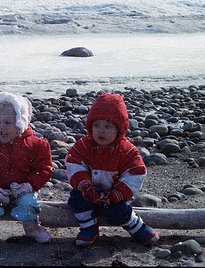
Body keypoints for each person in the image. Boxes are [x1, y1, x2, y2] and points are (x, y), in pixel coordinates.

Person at [65, 93, 159, 247]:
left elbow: (136, 173)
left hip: (115, 195)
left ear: (119, 129)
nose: (101, 131)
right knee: (76, 201)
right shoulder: (84, 145)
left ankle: (137, 226)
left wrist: (117, 193)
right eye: (97, 125)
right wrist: (84, 185)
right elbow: (73, 163)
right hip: (89, 191)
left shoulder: (127, 151)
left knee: (119, 212)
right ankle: (89, 228)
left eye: (108, 126)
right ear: (90, 126)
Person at [0, 92, 53, 245]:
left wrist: (29, 186)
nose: (1, 127)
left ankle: (31, 227)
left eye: (8, 123)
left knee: (28, 204)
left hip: (23, 189)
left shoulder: (36, 145)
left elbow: (44, 168)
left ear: (20, 123)